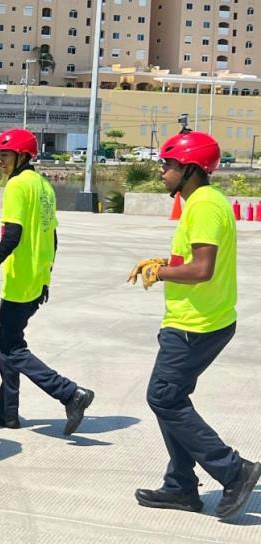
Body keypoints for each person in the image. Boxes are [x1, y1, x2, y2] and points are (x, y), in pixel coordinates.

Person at [128, 130, 259, 519]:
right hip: (200, 319)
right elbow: (193, 257)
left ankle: (234, 471)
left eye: (168, 165)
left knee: (163, 398)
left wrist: (162, 272)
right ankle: (181, 487)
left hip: (196, 324)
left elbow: (202, 269)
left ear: (191, 169)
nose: (162, 171)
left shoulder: (202, 205)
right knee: (171, 400)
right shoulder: (204, 202)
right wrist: (163, 261)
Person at [0, 128, 93, 434]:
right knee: (6, 347)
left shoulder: (17, 186)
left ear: (23, 156)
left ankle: (68, 393)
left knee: (12, 349)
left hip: (19, 281)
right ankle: (6, 412)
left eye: (5, 154)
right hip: (36, 280)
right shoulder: (43, 186)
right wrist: (46, 276)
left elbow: (13, 234)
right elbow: (52, 236)